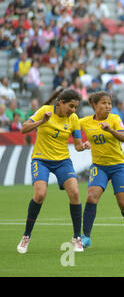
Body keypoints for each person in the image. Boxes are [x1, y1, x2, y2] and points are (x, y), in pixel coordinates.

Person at [17, 88, 91, 254]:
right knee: (40, 195)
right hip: (41, 159)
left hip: (62, 161)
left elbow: (78, 145)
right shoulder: (45, 111)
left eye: (75, 108)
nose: (73, 110)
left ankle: (76, 238)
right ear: (61, 103)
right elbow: (24, 128)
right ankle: (26, 236)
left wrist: (83, 146)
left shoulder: (73, 119)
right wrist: (41, 122)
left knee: (74, 192)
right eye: (71, 106)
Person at [79, 91, 124, 248]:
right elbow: (72, 131)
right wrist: (83, 144)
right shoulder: (85, 122)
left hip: (119, 166)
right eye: (104, 103)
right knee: (91, 197)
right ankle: (86, 236)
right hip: (99, 166)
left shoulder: (114, 119)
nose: (108, 106)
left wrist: (110, 130)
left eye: (109, 103)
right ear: (94, 105)